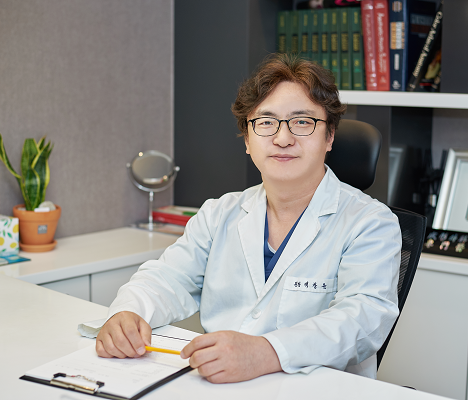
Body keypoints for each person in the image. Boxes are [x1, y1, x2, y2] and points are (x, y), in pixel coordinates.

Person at [96, 53, 402, 383]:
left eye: (302, 122)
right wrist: (129, 311)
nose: (282, 138)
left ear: (329, 137)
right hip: (220, 384)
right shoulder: (219, 214)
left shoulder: (370, 223)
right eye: (266, 122)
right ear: (247, 139)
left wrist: (265, 352)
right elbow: (168, 278)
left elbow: (362, 319)